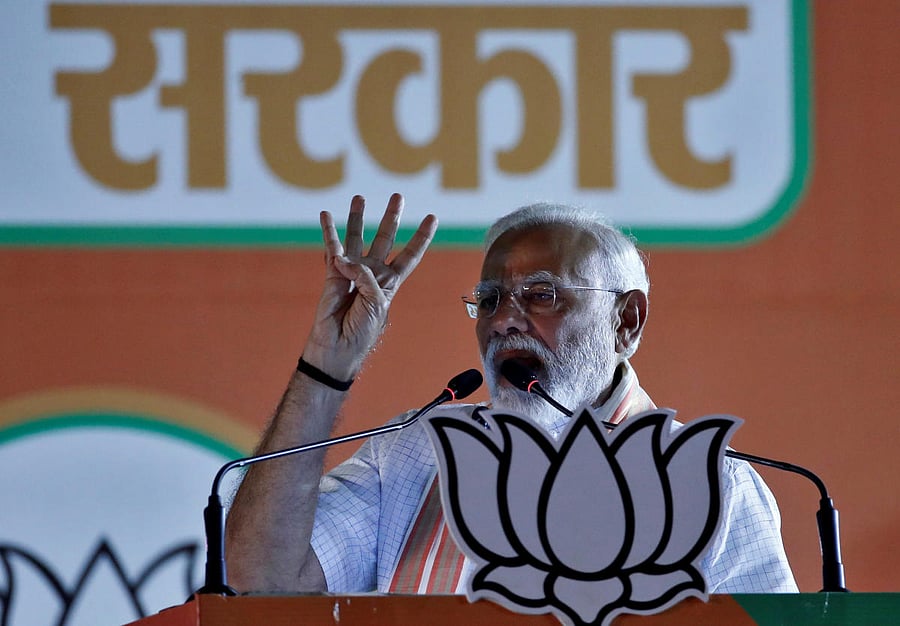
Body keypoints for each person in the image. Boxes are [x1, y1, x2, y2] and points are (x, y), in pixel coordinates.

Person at [225, 193, 797, 595]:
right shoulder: (414, 451)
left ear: (626, 321)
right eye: (490, 300)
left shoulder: (711, 484)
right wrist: (326, 367)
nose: (503, 322)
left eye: (542, 295)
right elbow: (260, 581)